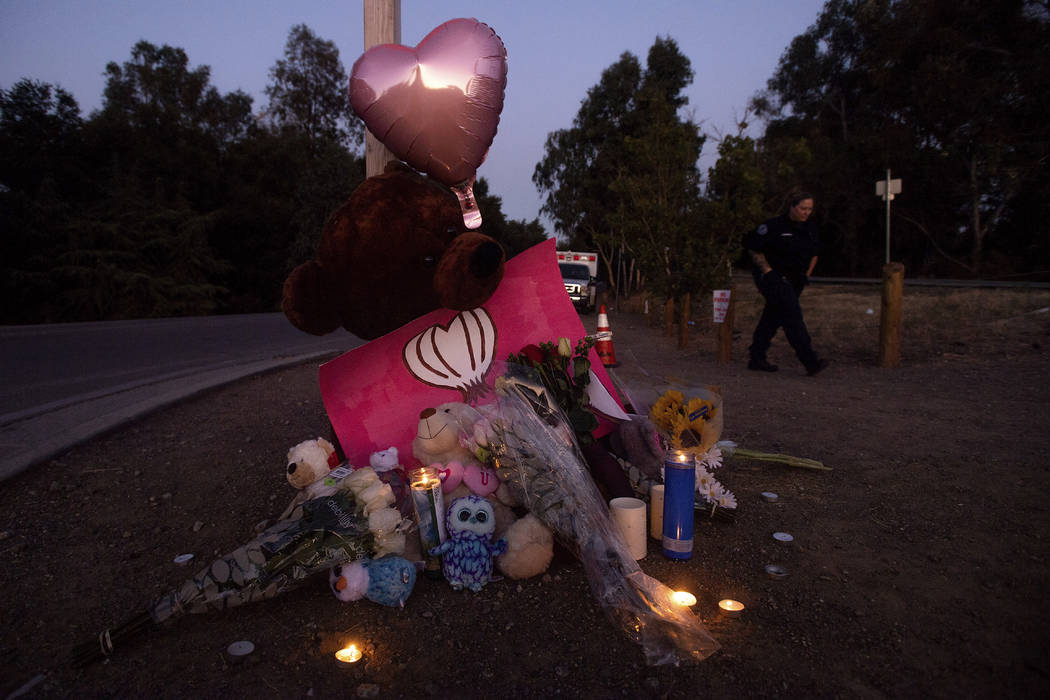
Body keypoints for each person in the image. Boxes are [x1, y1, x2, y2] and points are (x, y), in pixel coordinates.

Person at [745, 192, 829, 376]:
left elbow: (815, 253)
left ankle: (756, 357)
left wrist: (806, 275)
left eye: (809, 209)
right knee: (792, 315)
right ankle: (810, 361)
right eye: (802, 208)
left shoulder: (810, 228)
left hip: (796, 279)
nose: (806, 212)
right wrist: (768, 272)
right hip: (774, 279)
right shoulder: (773, 226)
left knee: (773, 316)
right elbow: (754, 248)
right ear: (792, 206)